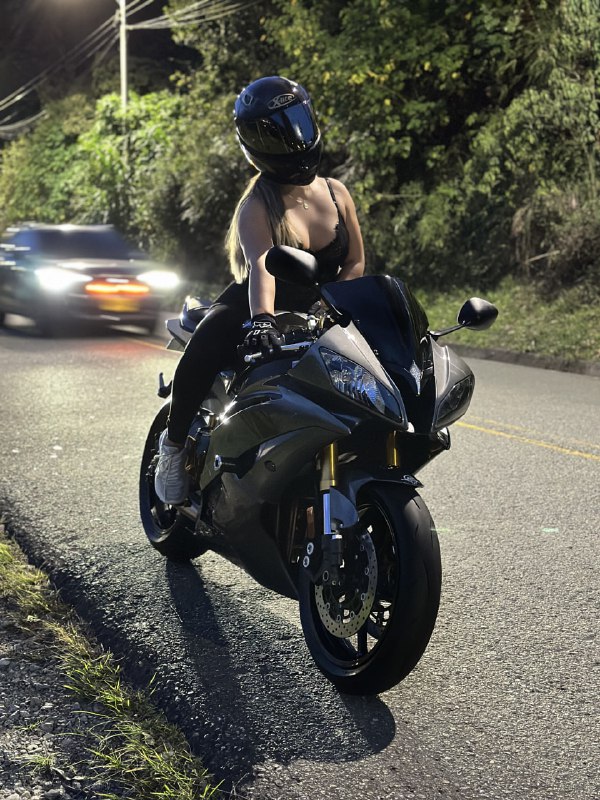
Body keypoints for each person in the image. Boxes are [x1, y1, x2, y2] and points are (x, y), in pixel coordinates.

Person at [154, 75, 365, 505]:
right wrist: (263, 321)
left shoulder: (336, 193)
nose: (291, 141)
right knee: (211, 336)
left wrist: (337, 306)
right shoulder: (256, 206)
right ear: (252, 144)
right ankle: (172, 447)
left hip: (322, 309)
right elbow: (263, 267)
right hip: (256, 305)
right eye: (273, 134)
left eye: (295, 124)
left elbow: (355, 261)